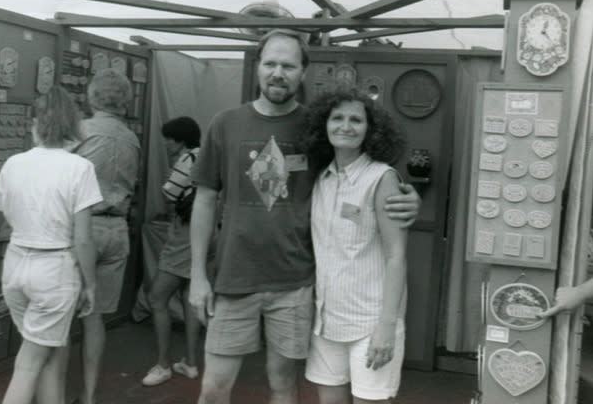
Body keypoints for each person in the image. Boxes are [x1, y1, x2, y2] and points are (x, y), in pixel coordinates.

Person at [189, 28, 420, 404]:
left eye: (288, 65)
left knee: (283, 384)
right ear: (258, 69)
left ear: (303, 72)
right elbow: (204, 199)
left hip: (296, 283)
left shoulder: (320, 126)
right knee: (214, 387)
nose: (278, 73)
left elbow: (363, 172)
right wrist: (198, 275)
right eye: (270, 63)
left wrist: (410, 200)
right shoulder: (225, 123)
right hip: (233, 279)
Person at [0, 86, 103, 404]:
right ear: (73, 125)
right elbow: (84, 238)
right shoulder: (80, 168)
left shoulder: (14, 163)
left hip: (16, 268)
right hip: (55, 272)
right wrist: (89, 286)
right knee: (30, 363)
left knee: (49, 353)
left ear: (36, 123)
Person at [302, 89, 408, 404]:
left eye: (356, 120)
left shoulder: (382, 178)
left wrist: (387, 327)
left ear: (370, 129)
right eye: (337, 118)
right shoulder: (322, 178)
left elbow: (396, 255)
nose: (345, 126)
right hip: (326, 321)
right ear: (324, 124)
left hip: (371, 323)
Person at [70, 68, 141, 404]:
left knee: (60, 311)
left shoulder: (79, 131)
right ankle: (88, 394)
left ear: (92, 96)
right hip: (117, 231)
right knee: (94, 317)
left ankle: (48, 391)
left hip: (83, 228)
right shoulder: (132, 138)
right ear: (126, 101)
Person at [142, 116, 202, 386]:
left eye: (169, 138)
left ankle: (163, 364)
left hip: (185, 233)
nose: (165, 143)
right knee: (190, 296)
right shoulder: (206, 155)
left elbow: (169, 193)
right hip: (206, 233)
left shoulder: (187, 159)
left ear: (180, 140)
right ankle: (190, 362)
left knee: (157, 297)